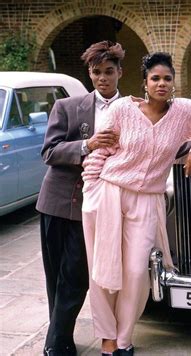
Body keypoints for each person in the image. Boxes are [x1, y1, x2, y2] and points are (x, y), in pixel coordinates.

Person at [81, 52, 191, 356]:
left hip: (148, 200)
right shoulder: (122, 109)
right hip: (109, 193)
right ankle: (107, 338)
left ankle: (124, 336)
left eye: (167, 79)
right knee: (104, 270)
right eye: (155, 78)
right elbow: (99, 151)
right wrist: (91, 193)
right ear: (145, 82)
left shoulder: (184, 110)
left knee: (135, 272)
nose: (161, 83)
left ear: (174, 83)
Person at [36, 40, 124, 356]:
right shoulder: (67, 107)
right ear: (89, 73)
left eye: (109, 71)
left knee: (76, 277)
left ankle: (54, 343)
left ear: (119, 73)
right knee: (55, 276)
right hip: (56, 203)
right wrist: (87, 144)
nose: (102, 78)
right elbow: (49, 152)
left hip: (98, 207)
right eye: (96, 72)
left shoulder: (132, 109)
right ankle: (59, 341)